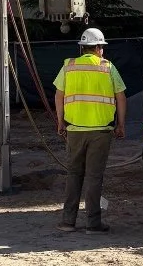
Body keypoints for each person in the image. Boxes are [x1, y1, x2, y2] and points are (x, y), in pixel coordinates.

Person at [53, 27, 127, 234]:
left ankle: (68, 221)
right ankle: (93, 224)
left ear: (82, 48)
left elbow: (59, 95)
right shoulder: (108, 67)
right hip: (101, 131)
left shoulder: (69, 66)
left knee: (74, 174)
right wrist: (120, 124)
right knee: (94, 177)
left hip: (75, 129)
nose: (103, 51)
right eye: (101, 47)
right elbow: (121, 97)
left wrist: (60, 122)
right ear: (96, 48)